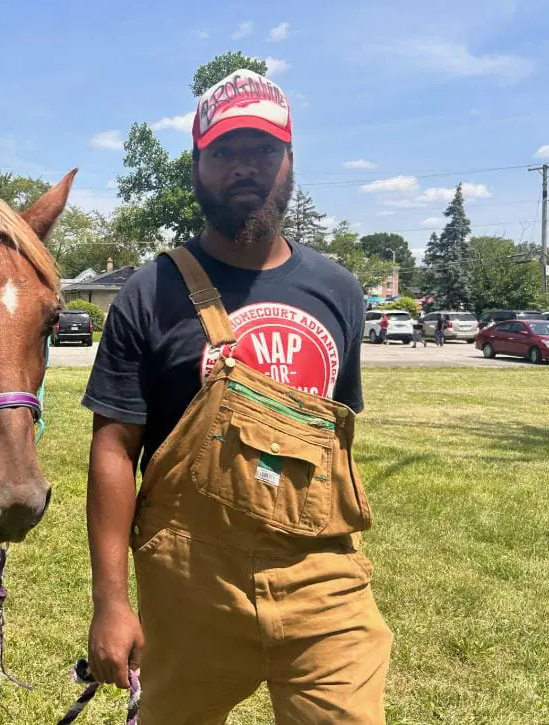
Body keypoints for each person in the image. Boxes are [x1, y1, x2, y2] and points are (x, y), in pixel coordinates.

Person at [82, 68, 392, 723]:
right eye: (224, 152)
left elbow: (338, 438)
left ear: (289, 162)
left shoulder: (338, 290)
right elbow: (113, 446)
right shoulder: (150, 290)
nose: (243, 168)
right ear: (198, 166)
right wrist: (111, 598)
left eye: (262, 151)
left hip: (322, 579)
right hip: (192, 584)